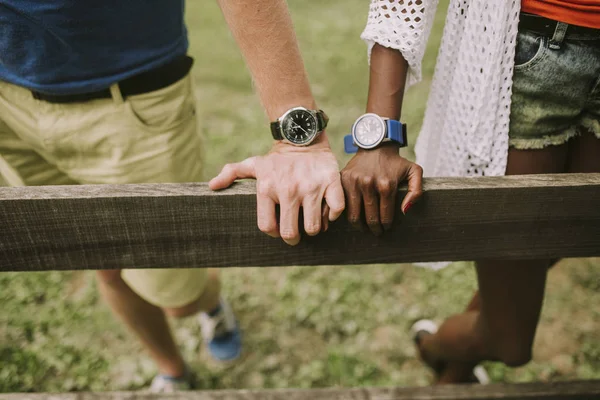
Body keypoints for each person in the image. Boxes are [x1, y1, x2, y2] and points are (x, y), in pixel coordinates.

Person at [0, 0, 344, 392]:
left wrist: (297, 139)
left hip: (130, 94)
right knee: (104, 264)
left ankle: (209, 303)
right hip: (8, 105)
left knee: (178, 296)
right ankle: (174, 372)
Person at [342, 0, 600, 384]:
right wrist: (379, 133)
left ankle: (455, 374)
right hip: (532, 55)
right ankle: (433, 348)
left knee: (562, 240)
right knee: (509, 344)